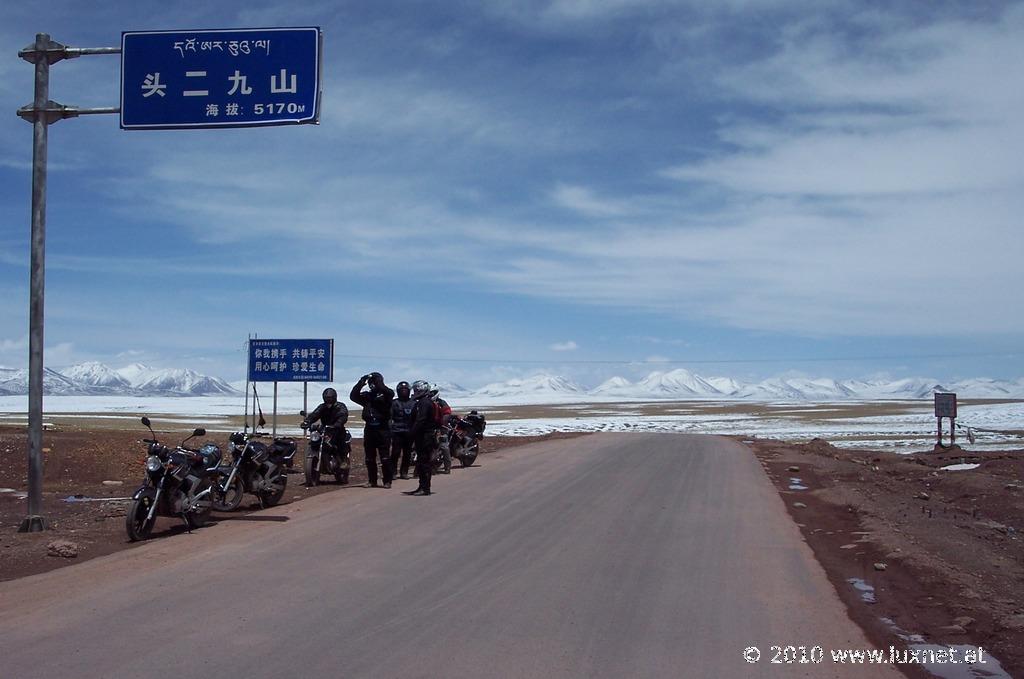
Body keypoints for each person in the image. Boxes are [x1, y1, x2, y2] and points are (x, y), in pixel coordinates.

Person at [350, 372, 395, 488]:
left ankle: (387, 481)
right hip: (370, 428)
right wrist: (361, 382)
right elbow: (353, 396)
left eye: (374, 383)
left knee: (385, 457)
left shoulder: (386, 395)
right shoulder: (367, 396)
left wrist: (378, 381)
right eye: (371, 383)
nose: (372, 385)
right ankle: (372, 480)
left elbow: (389, 392)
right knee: (369, 458)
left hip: (383, 429)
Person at [404, 380, 438, 496]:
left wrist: (411, 434)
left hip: (425, 436)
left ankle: (425, 488)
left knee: (424, 462)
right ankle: (421, 486)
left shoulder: (424, 403)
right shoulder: (422, 402)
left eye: (416, 389)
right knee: (421, 462)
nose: (414, 392)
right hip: (422, 436)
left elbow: (420, 420)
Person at [301, 387, 349, 453]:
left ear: (334, 397)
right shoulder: (322, 407)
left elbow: (343, 415)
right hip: (324, 429)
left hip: (336, 429)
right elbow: (315, 414)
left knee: (340, 443)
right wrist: (307, 422)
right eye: (326, 398)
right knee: (315, 442)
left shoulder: (340, 406)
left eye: (330, 397)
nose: (328, 399)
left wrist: (337, 424)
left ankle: (343, 460)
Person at [389, 381, 415, 480]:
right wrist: (391, 429)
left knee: (407, 453)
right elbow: (389, 417)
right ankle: (393, 472)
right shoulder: (394, 403)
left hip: (409, 432)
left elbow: (416, 418)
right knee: (395, 453)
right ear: (398, 391)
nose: (404, 392)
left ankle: (404, 472)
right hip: (397, 431)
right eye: (402, 390)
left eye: (405, 390)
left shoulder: (413, 403)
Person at [431, 383, 453, 474]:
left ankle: (447, 466)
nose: (431, 395)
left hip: (441, 427)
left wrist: (443, 422)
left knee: (444, 446)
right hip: (430, 427)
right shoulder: (426, 402)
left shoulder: (441, 403)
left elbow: (447, 412)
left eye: (432, 393)